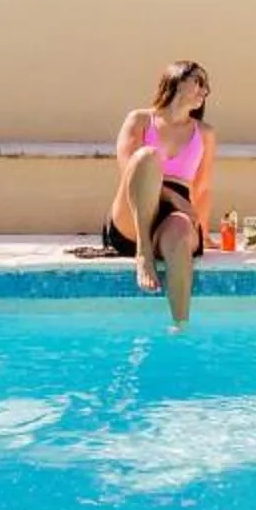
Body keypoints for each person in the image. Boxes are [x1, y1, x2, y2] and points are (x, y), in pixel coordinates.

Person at [105, 60, 212, 329]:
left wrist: (204, 231)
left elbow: (202, 188)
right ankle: (144, 253)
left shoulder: (204, 133)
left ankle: (180, 329)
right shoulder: (139, 120)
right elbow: (128, 171)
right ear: (177, 81)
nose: (205, 91)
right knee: (147, 157)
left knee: (180, 233)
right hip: (135, 208)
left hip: (175, 213)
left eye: (207, 86)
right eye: (198, 82)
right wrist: (172, 196)